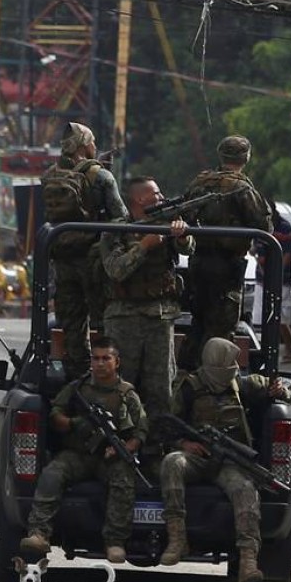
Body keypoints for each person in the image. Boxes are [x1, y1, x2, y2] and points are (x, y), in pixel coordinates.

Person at [158, 337, 291, 582]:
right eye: (229, 360)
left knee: (245, 489)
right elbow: (166, 426)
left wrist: (283, 391)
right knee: (172, 463)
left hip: (230, 462)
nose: (234, 366)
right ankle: (177, 539)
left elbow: (286, 389)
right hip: (198, 458)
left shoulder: (242, 385)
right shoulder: (189, 388)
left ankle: (247, 560)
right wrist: (184, 445)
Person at [19, 336, 146, 564]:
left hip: (108, 457)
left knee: (123, 476)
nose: (100, 363)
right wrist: (74, 424)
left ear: (117, 362)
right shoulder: (78, 388)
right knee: (53, 473)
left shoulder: (127, 394)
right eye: (95, 358)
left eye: (106, 358)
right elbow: (55, 413)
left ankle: (115, 541)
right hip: (78, 455)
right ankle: (38, 533)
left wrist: (122, 449)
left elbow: (140, 433)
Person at [101, 176, 193, 424]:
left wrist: (182, 236)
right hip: (124, 318)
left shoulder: (166, 224)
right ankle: (121, 437)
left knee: (161, 388)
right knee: (121, 384)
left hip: (159, 317)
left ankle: (157, 444)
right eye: (157, 193)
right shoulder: (117, 229)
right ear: (139, 198)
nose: (162, 198)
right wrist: (144, 246)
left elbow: (188, 249)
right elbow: (115, 269)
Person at [175, 135, 271, 370]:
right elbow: (264, 225)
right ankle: (212, 384)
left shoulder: (200, 181)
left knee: (198, 323)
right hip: (227, 267)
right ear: (246, 157)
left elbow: (183, 214)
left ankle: (186, 377)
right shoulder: (241, 187)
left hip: (197, 264)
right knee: (221, 330)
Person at [42, 122, 128, 379]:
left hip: (62, 260)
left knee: (72, 326)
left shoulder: (49, 174)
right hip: (93, 260)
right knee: (103, 322)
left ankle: (77, 379)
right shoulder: (99, 175)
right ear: (84, 145)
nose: (95, 147)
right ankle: (105, 377)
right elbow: (121, 216)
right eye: (92, 142)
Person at [253, 202, 291, 364]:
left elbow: (286, 254)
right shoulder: (260, 227)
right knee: (259, 318)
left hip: (281, 279)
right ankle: (262, 353)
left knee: (281, 318)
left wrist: (276, 273)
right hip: (261, 279)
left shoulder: (284, 228)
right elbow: (256, 251)